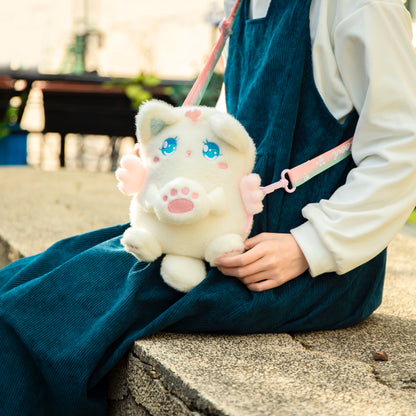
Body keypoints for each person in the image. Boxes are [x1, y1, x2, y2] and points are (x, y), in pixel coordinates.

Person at [0, 0, 415, 415]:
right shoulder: (243, 5)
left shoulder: (357, 5)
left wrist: (311, 246)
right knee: (30, 275)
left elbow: (402, 145)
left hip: (299, 269)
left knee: (38, 315)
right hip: (219, 232)